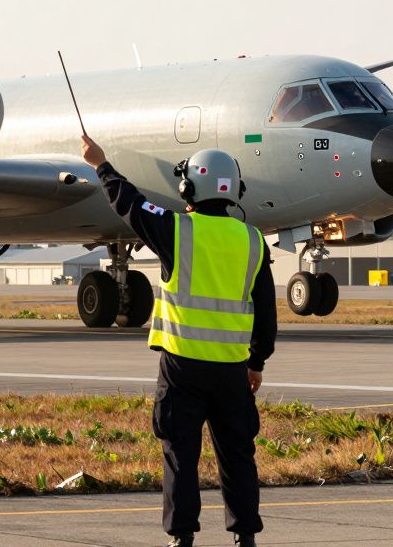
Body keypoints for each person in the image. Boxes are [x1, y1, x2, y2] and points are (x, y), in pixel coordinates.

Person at [81, 135, 276, 547]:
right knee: (238, 456)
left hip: (182, 366)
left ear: (188, 188)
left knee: (180, 456)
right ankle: (244, 536)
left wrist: (101, 165)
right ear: (234, 191)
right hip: (232, 372)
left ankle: (182, 537)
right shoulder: (253, 241)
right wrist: (256, 363)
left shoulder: (176, 229)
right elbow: (267, 315)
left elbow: (130, 203)